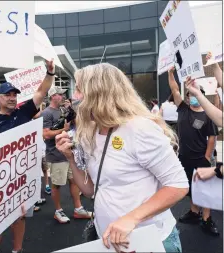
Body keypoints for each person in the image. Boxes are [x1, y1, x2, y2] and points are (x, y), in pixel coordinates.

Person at [56, 63, 189, 252]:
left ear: (98, 92)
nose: (74, 97)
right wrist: (70, 158)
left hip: (150, 241)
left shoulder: (139, 128)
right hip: (110, 242)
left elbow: (178, 184)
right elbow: (90, 190)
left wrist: (131, 219)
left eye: (78, 89)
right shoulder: (90, 132)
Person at [0, 60, 55, 253]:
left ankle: (18, 250)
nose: (12, 98)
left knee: (20, 216)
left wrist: (49, 73)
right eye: (7, 95)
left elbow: (41, 92)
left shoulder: (23, 112)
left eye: (14, 94)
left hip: (22, 177)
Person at [168, 67, 219, 236]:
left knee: (205, 190)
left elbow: (212, 137)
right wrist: (170, 73)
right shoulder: (183, 109)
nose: (192, 98)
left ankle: (206, 219)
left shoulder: (207, 115)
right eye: (190, 95)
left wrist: (206, 157)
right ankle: (194, 212)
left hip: (200, 159)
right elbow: (175, 89)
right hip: (184, 158)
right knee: (190, 187)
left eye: (196, 95)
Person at [42, 86, 91, 224]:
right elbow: (45, 134)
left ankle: (78, 208)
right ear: (53, 96)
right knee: (57, 184)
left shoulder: (63, 110)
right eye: (59, 94)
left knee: (74, 181)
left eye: (62, 94)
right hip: (55, 154)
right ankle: (58, 211)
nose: (62, 96)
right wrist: (64, 129)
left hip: (68, 152)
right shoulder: (46, 113)